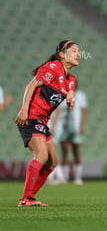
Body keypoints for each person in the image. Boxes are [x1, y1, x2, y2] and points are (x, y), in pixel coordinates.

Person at [15, 40, 79, 206]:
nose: (78, 54)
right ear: (62, 55)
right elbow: (31, 86)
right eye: (73, 51)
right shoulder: (53, 67)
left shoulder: (71, 78)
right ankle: (26, 198)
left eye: (79, 51)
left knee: (53, 162)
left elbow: (70, 90)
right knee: (42, 156)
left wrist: (71, 98)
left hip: (42, 121)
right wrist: (24, 110)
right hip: (31, 117)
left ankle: (28, 197)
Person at [49, 82, 88, 185]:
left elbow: (83, 111)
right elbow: (58, 110)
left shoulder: (80, 96)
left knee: (76, 152)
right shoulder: (61, 95)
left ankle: (78, 177)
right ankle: (65, 177)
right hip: (64, 127)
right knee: (64, 153)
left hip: (75, 127)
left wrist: (82, 126)